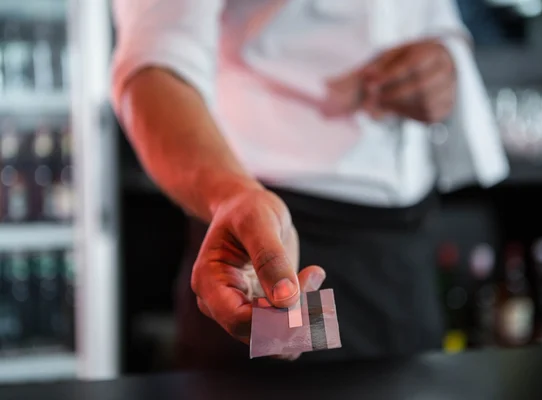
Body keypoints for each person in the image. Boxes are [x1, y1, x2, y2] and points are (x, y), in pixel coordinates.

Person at [111, 0, 509, 369]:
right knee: (283, 385)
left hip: (403, 252)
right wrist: (232, 196)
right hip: (282, 244)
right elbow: (154, 64)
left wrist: (441, 61)